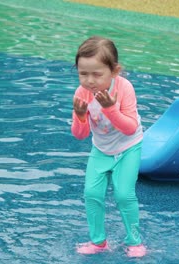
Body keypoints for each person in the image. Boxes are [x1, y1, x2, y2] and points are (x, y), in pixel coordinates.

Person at [71, 36, 146, 258]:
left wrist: (111, 109)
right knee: (92, 193)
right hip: (101, 149)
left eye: (97, 74)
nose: (90, 81)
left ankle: (134, 242)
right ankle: (98, 242)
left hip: (128, 147)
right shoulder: (81, 93)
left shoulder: (124, 88)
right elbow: (80, 135)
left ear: (114, 71)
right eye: (83, 74)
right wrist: (80, 115)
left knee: (124, 194)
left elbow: (130, 128)